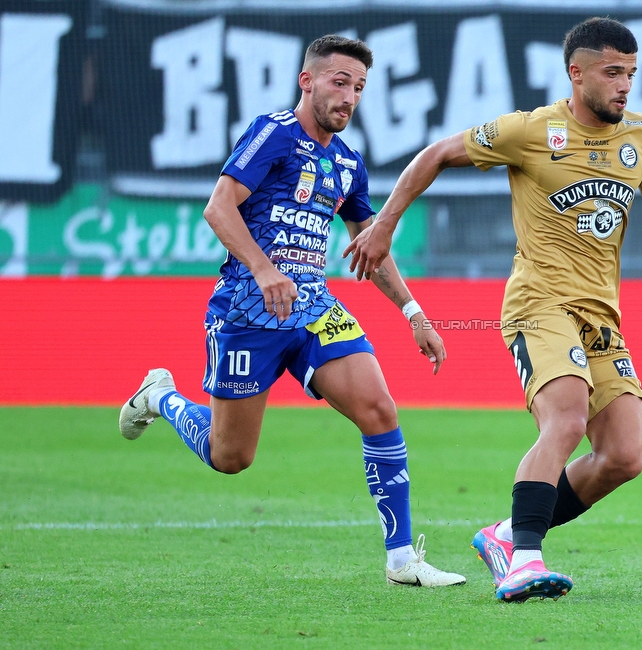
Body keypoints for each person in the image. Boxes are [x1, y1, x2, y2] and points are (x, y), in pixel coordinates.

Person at [343, 17, 642, 601]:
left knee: (623, 455)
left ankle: (507, 534)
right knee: (564, 420)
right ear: (576, 73)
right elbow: (436, 154)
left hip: (601, 316)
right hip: (539, 302)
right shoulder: (533, 130)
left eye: (631, 74)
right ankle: (524, 559)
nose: (624, 86)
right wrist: (383, 225)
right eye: (613, 73)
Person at [118, 35, 465, 588]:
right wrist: (262, 267)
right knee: (230, 456)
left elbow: (369, 251)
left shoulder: (348, 163)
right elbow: (219, 207)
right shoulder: (274, 132)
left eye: (358, 88)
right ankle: (159, 394)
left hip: (313, 307)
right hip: (247, 310)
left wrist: (414, 313)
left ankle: (401, 559)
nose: (349, 97)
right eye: (339, 82)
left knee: (379, 409)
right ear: (308, 81)